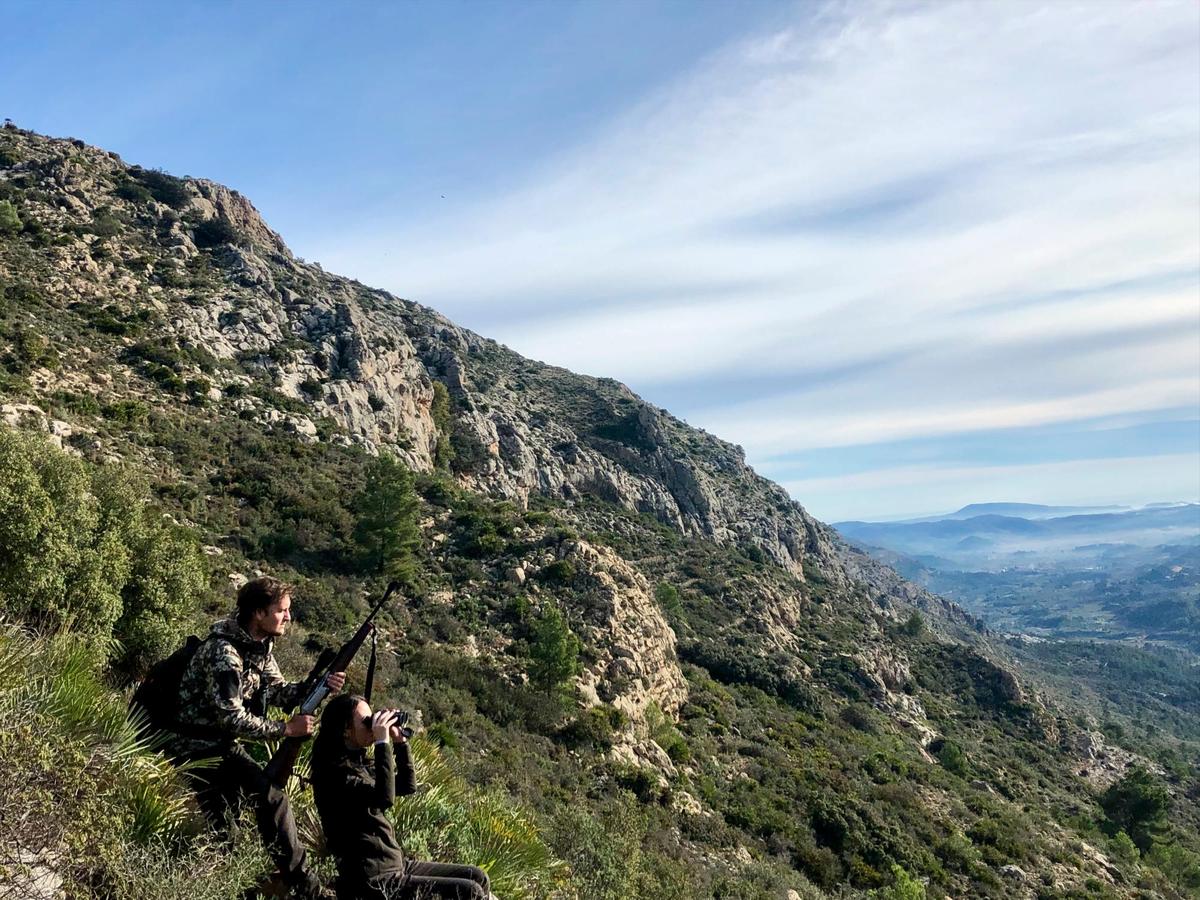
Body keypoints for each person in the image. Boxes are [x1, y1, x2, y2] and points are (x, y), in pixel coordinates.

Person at [171, 576, 347, 900]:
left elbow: (281, 694)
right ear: (258, 613)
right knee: (265, 801)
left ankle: (266, 884)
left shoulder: (259, 647)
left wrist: (319, 686)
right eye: (281, 610)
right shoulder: (226, 653)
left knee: (248, 813)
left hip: (222, 746)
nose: (288, 618)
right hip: (196, 748)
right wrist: (286, 730)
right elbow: (231, 716)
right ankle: (307, 889)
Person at [311, 693, 492, 900]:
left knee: (478, 876)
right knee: (470, 892)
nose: (372, 726)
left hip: (394, 864)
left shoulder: (358, 763)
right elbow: (384, 798)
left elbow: (407, 786)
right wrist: (381, 743)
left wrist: (400, 743)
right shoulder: (334, 775)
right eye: (366, 722)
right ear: (345, 730)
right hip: (373, 879)